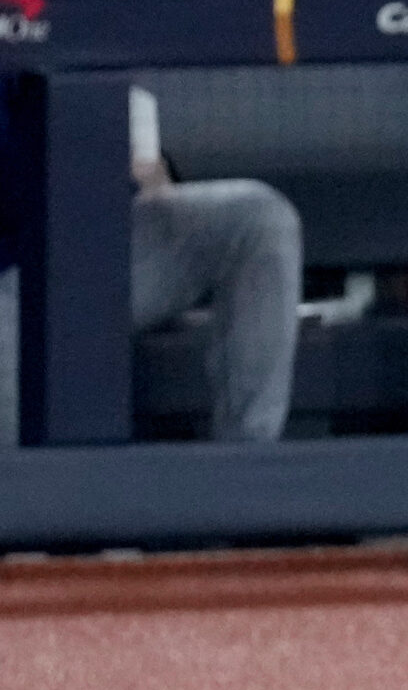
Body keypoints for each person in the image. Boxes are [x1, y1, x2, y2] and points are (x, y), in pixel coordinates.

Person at [0, 86, 300, 445]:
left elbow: (95, 85)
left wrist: (147, 168)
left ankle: (249, 470)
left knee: (258, 218)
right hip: (9, 278)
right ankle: (25, 497)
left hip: (98, 249)